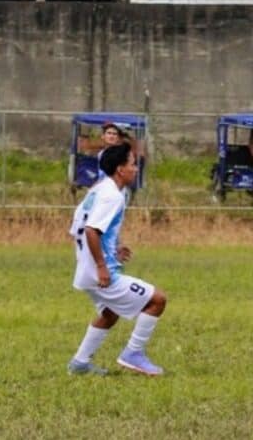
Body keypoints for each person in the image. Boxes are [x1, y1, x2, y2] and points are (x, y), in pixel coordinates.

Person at [66, 142, 168, 376]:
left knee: (110, 314)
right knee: (158, 300)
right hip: (101, 274)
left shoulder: (98, 190)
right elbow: (92, 230)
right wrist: (102, 266)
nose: (136, 168)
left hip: (86, 269)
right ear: (120, 169)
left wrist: (113, 249)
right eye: (133, 164)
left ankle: (80, 363)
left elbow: (77, 229)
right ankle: (133, 353)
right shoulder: (112, 196)